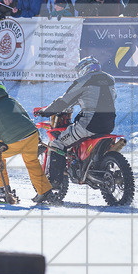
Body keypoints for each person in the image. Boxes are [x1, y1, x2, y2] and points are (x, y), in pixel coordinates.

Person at [0, 80, 53, 204]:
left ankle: (2, 189)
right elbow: (25, 116)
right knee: (32, 161)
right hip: (31, 136)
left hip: (12, 141)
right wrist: (37, 138)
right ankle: (44, 191)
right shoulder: (11, 101)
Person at [42, 56, 116, 186]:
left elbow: (64, 100)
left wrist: (46, 111)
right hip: (109, 124)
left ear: (84, 69)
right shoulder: (109, 80)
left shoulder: (84, 80)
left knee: (57, 144)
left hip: (89, 125)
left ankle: (53, 183)